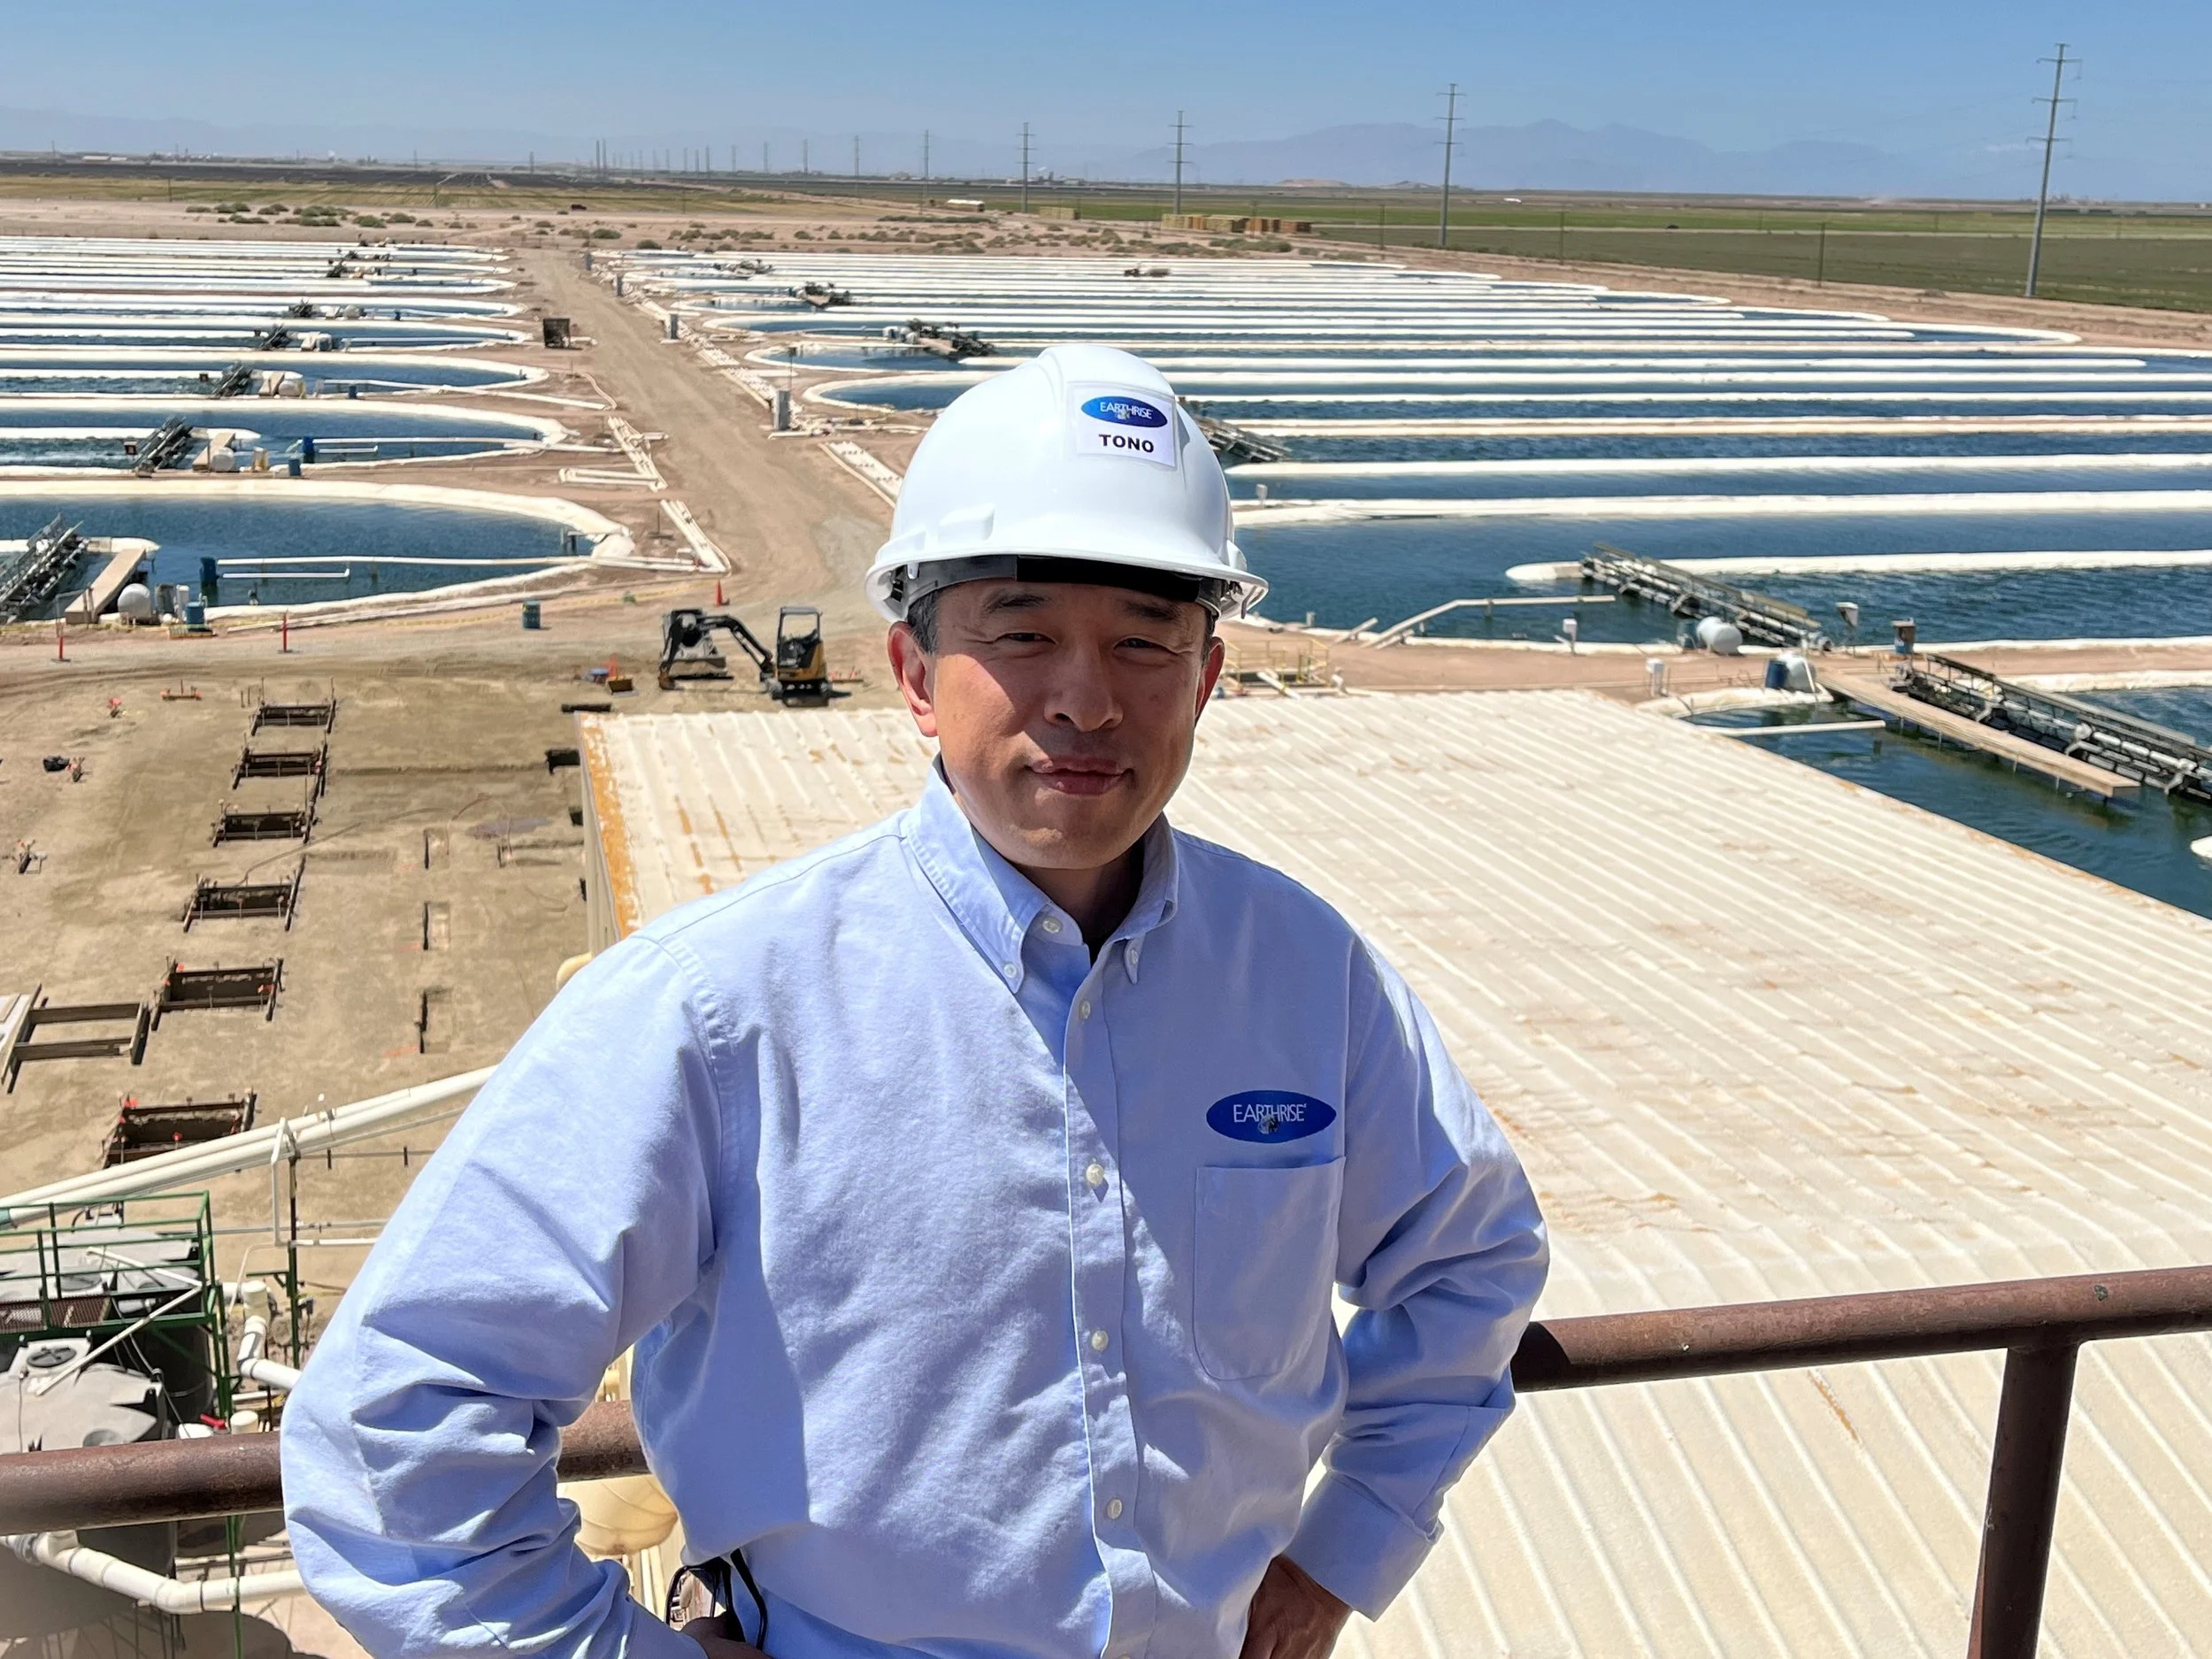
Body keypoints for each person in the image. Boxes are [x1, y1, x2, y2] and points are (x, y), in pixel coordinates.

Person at [281, 343, 1548, 1659]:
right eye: (1022, 634)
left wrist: (1344, 1549)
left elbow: (1472, 1258)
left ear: (1208, 678)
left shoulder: (1302, 973)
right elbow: (391, 1423)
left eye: (1144, 642)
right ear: (913, 672)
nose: (1086, 697)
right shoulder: (718, 1011)